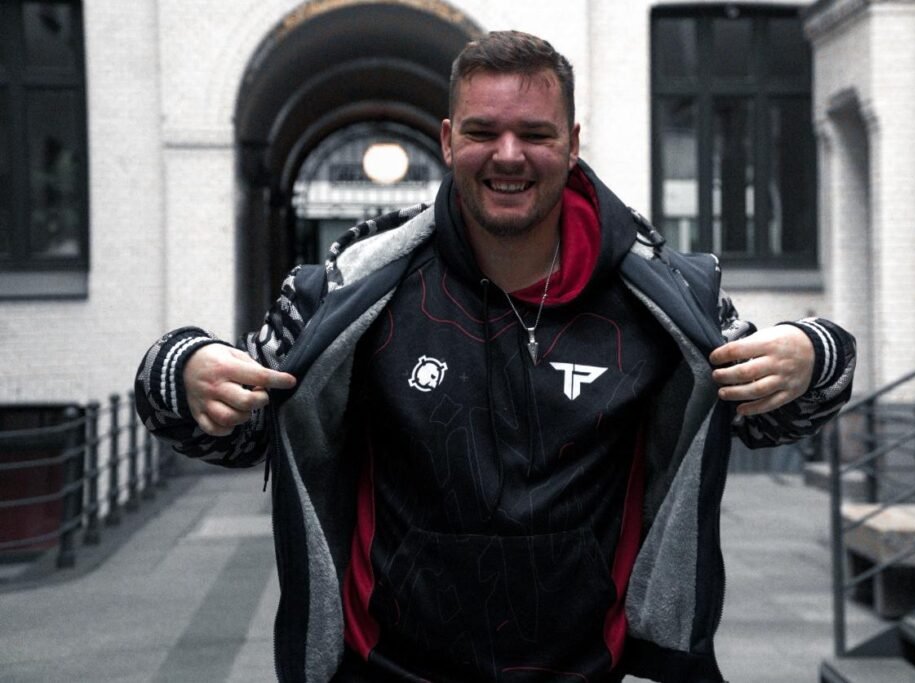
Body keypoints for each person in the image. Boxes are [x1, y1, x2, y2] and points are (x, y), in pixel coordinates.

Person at [136, 30, 854, 683]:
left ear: (572, 143)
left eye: (535, 133)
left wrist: (812, 353)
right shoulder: (356, 286)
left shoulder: (664, 293)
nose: (509, 156)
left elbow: (770, 419)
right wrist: (183, 369)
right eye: (483, 131)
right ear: (449, 140)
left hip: (586, 671)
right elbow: (241, 432)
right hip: (387, 669)